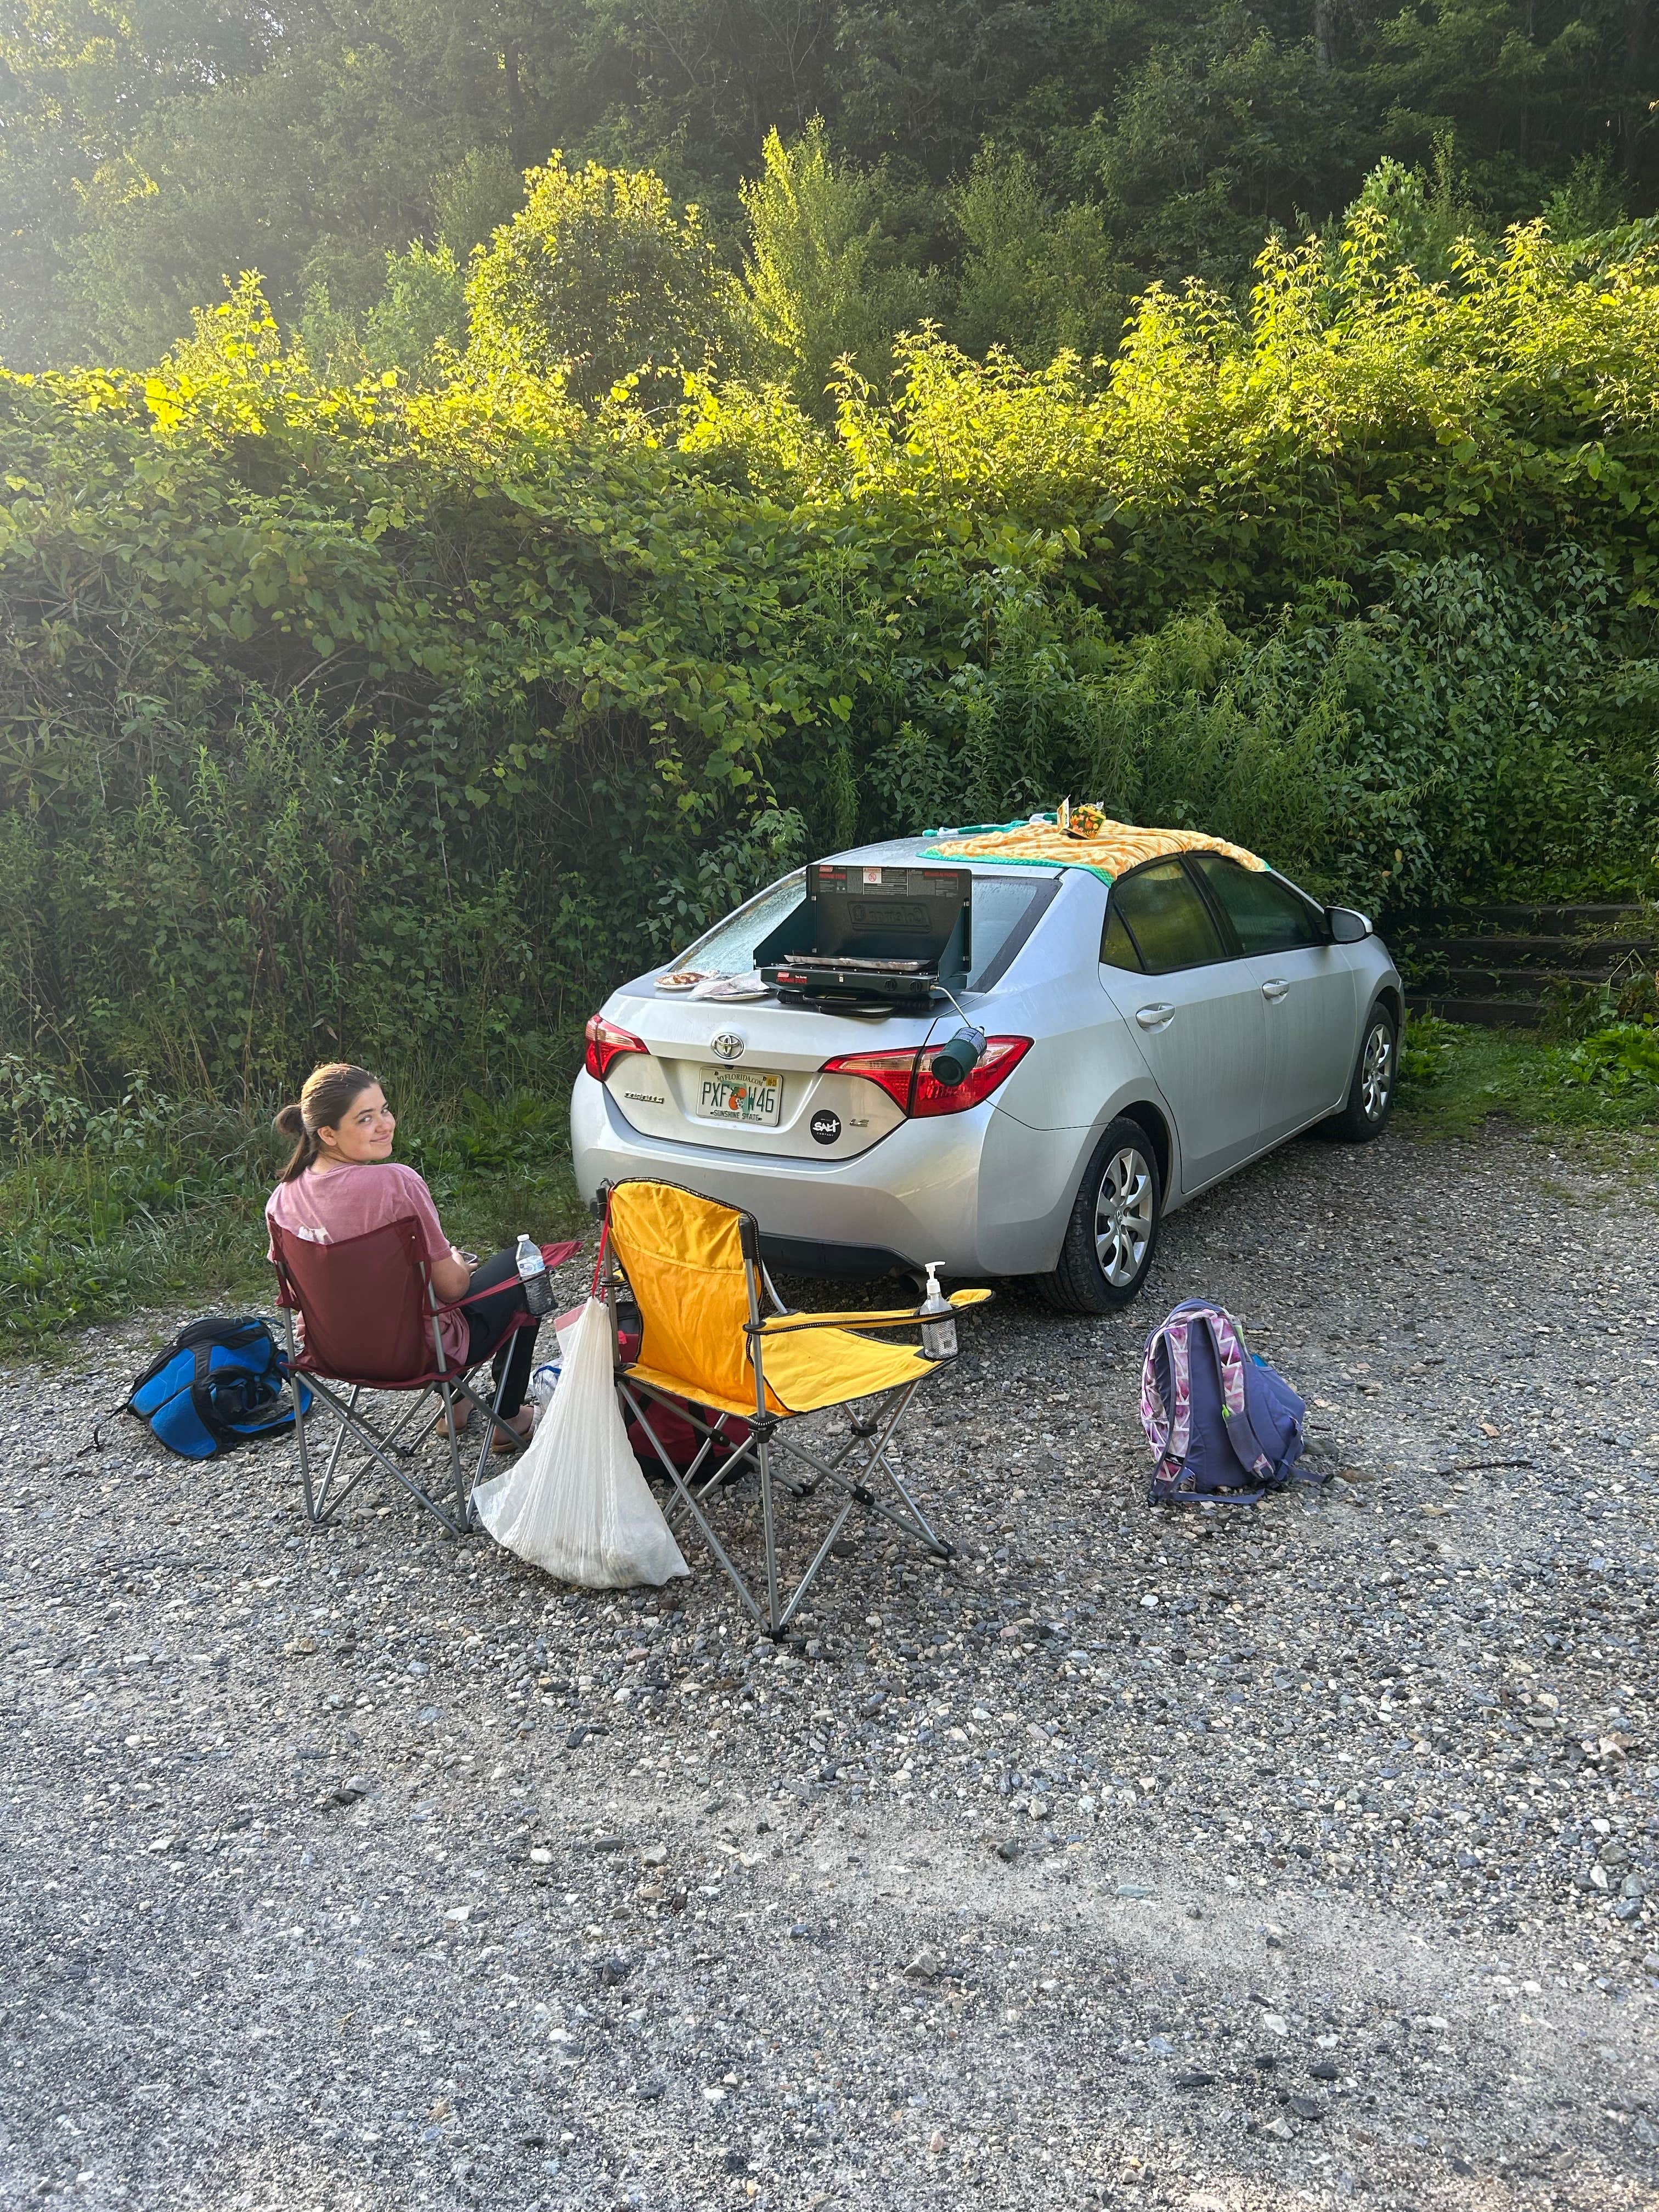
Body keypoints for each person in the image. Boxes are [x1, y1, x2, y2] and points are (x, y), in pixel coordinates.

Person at [265, 1062, 542, 1444]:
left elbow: (307, 1292)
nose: (385, 1124)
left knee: (434, 1294)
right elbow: (454, 1289)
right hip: (421, 1354)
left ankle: (457, 1407)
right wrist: (457, 1260)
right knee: (524, 1266)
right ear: (328, 1133)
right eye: (365, 1119)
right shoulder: (396, 1183)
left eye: (384, 1109)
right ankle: (507, 1416)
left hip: (335, 1354)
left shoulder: (281, 1201)